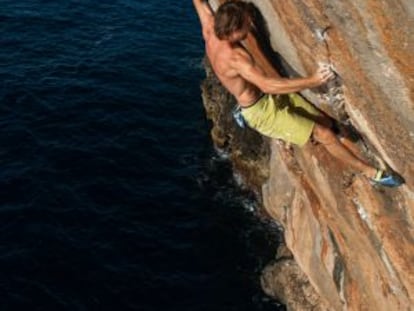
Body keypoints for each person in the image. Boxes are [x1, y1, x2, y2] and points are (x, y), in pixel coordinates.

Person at [193, 0, 403, 187]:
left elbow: (199, 2)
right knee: (325, 134)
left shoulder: (210, 28)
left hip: (263, 97)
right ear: (234, 31)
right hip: (261, 111)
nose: (251, 25)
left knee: (328, 123)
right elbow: (267, 85)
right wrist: (313, 80)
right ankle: (371, 174)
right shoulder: (236, 58)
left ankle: (328, 133)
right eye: (247, 24)